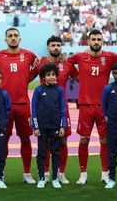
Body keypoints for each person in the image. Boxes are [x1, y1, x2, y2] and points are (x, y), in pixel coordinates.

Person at [68, 29, 117, 184]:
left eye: (99, 39)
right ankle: (83, 173)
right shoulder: (80, 56)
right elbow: (66, 63)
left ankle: (105, 172)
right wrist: (78, 77)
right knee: (84, 139)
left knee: (105, 140)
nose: (96, 42)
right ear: (88, 41)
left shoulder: (110, 57)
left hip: (104, 106)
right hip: (85, 105)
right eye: (93, 39)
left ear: (102, 41)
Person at [0, 28, 38, 184]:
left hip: (23, 104)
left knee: (26, 138)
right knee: (2, 139)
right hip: (3, 105)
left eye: (15, 36)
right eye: (10, 36)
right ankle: (0, 173)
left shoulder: (29, 55)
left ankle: (27, 173)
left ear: (20, 39)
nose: (13, 38)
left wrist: (27, 79)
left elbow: (39, 67)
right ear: (5, 40)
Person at [32, 36, 79, 184]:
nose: (56, 47)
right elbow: (26, 77)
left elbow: (81, 78)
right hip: (43, 110)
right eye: (53, 45)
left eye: (58, 45)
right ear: (48, 48)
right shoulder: (40, 63)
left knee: (63, 140)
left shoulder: (67, 63)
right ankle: (45, 173)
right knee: (44, 142)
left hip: (62, 109)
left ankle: (61, 173)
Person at [31, 63, 66, 189]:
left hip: (56, 126)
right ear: (43, 77)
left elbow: (63, 109)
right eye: (48, 75)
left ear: (56, 76)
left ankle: (55, 178)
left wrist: (62, 126)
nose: (51, 77)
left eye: (53, 75)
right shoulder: (39, 90)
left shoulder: (59, 90)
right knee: (41, 153)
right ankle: (41, 177)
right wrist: (35, 127)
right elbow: (34, 109)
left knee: (56, 152)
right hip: (42, 127)